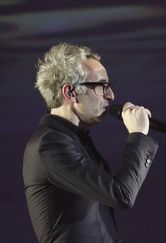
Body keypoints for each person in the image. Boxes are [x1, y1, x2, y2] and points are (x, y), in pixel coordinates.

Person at [23, 43, 158, 243]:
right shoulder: (49, 144)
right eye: (101, 86)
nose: (111, 96)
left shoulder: (73, 139)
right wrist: (138, 135)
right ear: (70, 92)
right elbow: (121, 195)